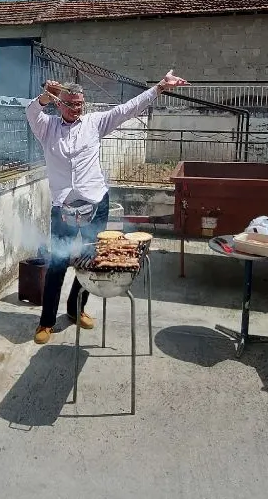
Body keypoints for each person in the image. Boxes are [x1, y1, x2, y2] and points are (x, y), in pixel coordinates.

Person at [26, 70, 188, 344]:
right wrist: (44, 95)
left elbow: (128, 109)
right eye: (72, 103)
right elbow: (32, 112)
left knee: (90, 258)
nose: (77, 108)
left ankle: (76, 310)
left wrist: (159, 87)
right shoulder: (47, 127)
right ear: (59, 103)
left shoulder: (95, 123)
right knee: (58, 262)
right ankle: (46, 322)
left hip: (96, 203)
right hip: (63, 206)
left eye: (80, 103)